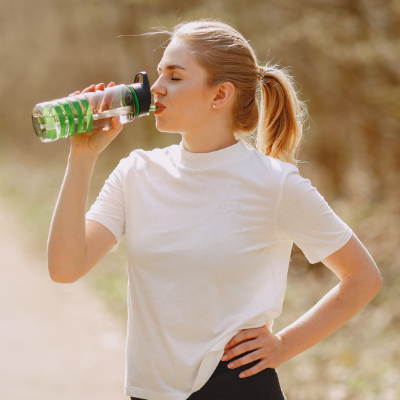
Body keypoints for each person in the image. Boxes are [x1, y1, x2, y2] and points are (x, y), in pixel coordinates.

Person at [47, 19, 383, 400]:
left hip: (236, 388)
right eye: (159, 74)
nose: (155, 88)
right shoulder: (135, 173)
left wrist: (284, 345)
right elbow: (65, 267)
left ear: (220, 94)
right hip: (149, 392)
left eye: (174, 77)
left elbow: (362, 277)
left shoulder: (274, 184)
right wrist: (82, 156)